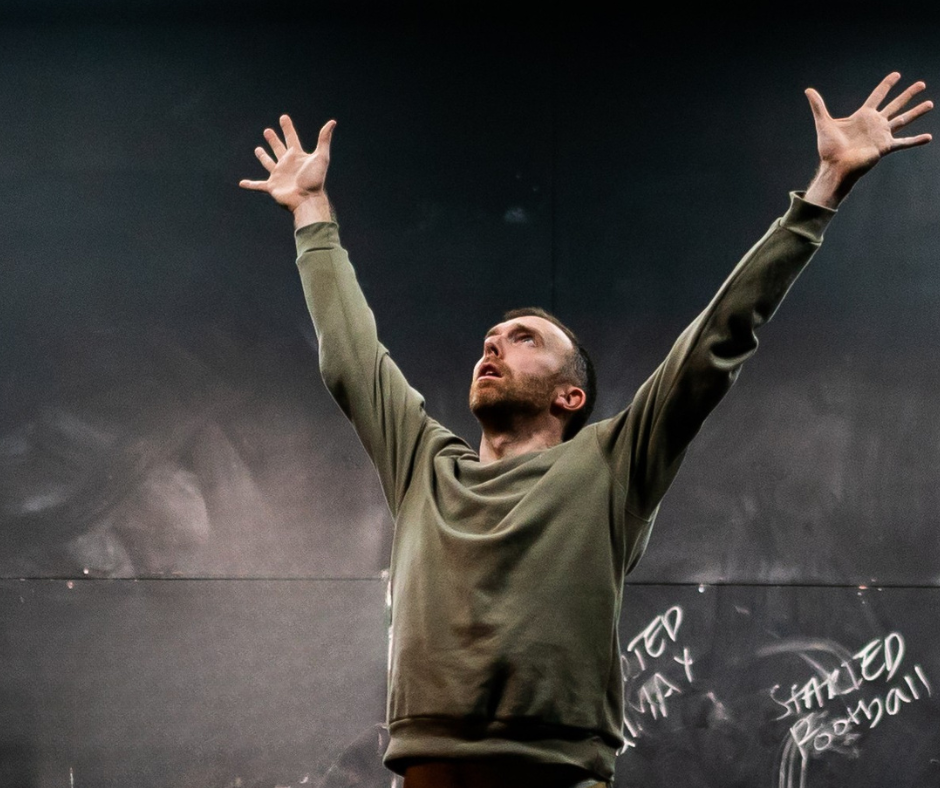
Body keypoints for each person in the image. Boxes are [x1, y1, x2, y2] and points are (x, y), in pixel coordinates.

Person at [240, 73, 931, 788]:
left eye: (522, 338)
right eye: (490, 337)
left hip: (561, 774)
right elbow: (351, 357)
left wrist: (823, 191)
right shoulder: (425, 467)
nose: (494, 346)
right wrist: (311, 213)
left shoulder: (610, 466)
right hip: (432, 774)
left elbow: (717, 339)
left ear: (571, 396)